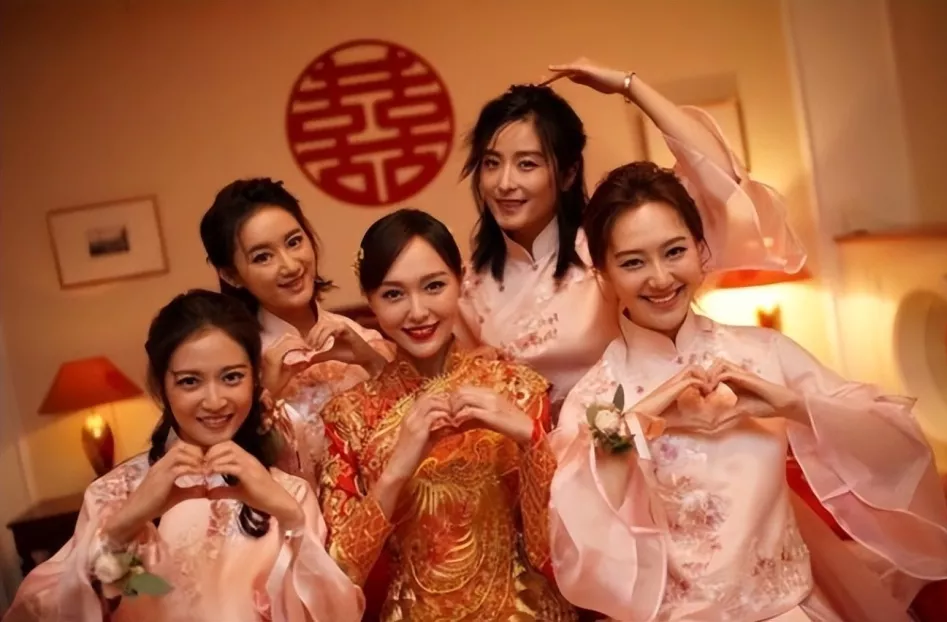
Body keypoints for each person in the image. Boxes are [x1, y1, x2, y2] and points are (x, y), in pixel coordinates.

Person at [548, 162, 947, 621]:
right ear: (603, 274)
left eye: (674, 251)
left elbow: (898, 447)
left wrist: (793, 405)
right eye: (632, 262)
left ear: (701, 250)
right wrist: (633, 428)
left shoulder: (764, 354)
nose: (660, 278)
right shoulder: (598, 398)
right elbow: (577, 551)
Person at [458, 58, 804, 412]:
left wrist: (629, 85)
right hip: (543, 446)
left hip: (647, 431)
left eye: (527, 164)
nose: (504, 183)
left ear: (567, 174)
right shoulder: (469, 289)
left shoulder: (609, 249)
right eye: (491, 163)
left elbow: (721, 177)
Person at [3, 290, 363, 622]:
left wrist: (288, 515)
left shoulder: (288, 494)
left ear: (255, 379)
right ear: (162, 385)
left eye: (232, 378)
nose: (215, 401)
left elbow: (335, 614)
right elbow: (45, 611)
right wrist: (125, 525)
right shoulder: (115, 494)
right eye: (190, 381)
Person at [319, 209, 577, 621]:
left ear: (460, 280)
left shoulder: (517, 388)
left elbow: (553, 552)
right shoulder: (349, 416)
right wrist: (396, 471)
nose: (418, 312)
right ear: (369, 299)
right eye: (393, 295)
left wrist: (531, 439)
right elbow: (339, 574)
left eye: (434, 286)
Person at [200, 178, 393, 492]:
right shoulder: (233, 366)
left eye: (293, 242)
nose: (290, 266)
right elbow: (216, 474)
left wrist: (371, 360)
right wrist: (265, 396)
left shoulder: (361, 338)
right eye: (263, 257)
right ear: (231, 275)